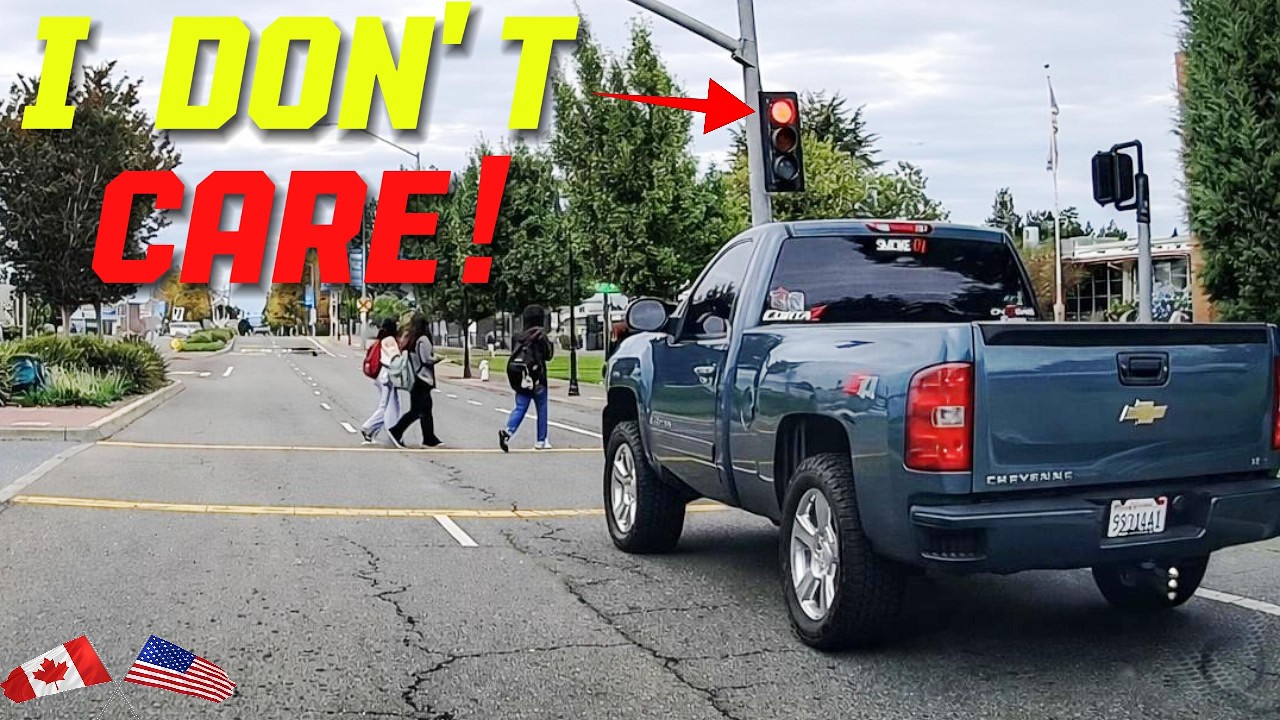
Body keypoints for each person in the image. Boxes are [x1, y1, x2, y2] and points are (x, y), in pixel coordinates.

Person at [499, 305, 555, 452]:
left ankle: (508, 431)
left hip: (521, 377)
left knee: (520, 407)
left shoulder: (518, 336)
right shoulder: (540, 336)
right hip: (538, 378)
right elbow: (548, 356)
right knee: (541, 409)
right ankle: (541, 440)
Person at [389, 316, 443, 448]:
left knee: (425, 410)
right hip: (422, 379)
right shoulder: (423, 340)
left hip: (416, 379)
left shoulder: (413, 339)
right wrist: (438, 358)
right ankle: (396, 430)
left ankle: (429, 438)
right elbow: (426, 359)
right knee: (418, 411)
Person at [360, 318, 402, 445]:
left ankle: (380, 431)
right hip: (387, 376)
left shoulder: (381, 340)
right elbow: (395, 358)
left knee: (390, 405)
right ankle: (369, 427)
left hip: (381, 376)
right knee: (388, 406)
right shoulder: (390, 341)